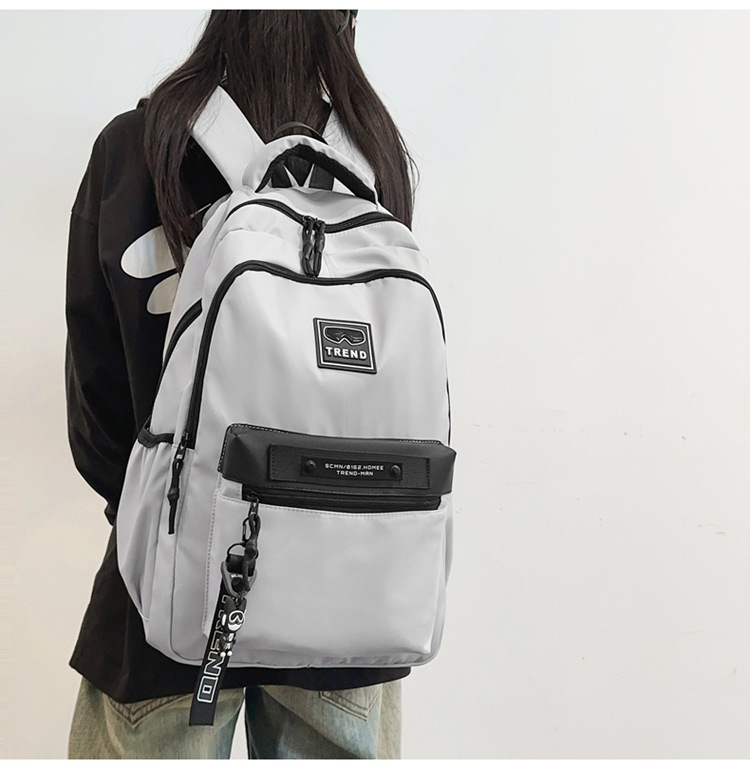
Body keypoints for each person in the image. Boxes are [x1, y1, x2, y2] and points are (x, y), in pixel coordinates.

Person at [64, 10, 418, 759]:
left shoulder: (136, 147)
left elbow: (97, 402)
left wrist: (163, 519)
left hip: (165, 599)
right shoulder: (371, 155)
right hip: (349, 599)